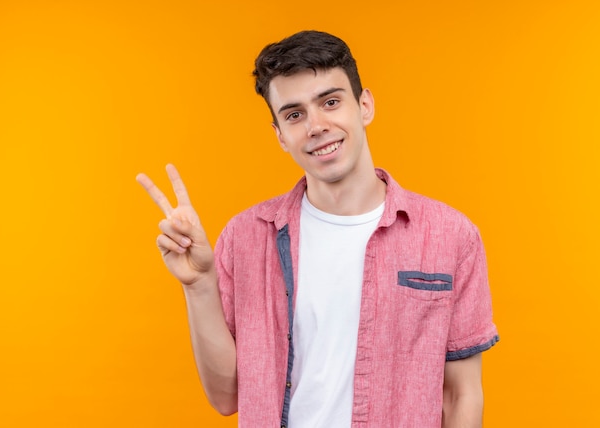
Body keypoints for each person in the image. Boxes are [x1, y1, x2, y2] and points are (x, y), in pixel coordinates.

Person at [137, 30, 498, 428]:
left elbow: (461, 394)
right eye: (294, 114)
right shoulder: (244, 237)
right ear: (279, 136)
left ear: (364, 106)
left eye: (330, 102)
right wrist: (199, 285)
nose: (316, 125)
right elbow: (225, 397)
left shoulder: (450, 236)